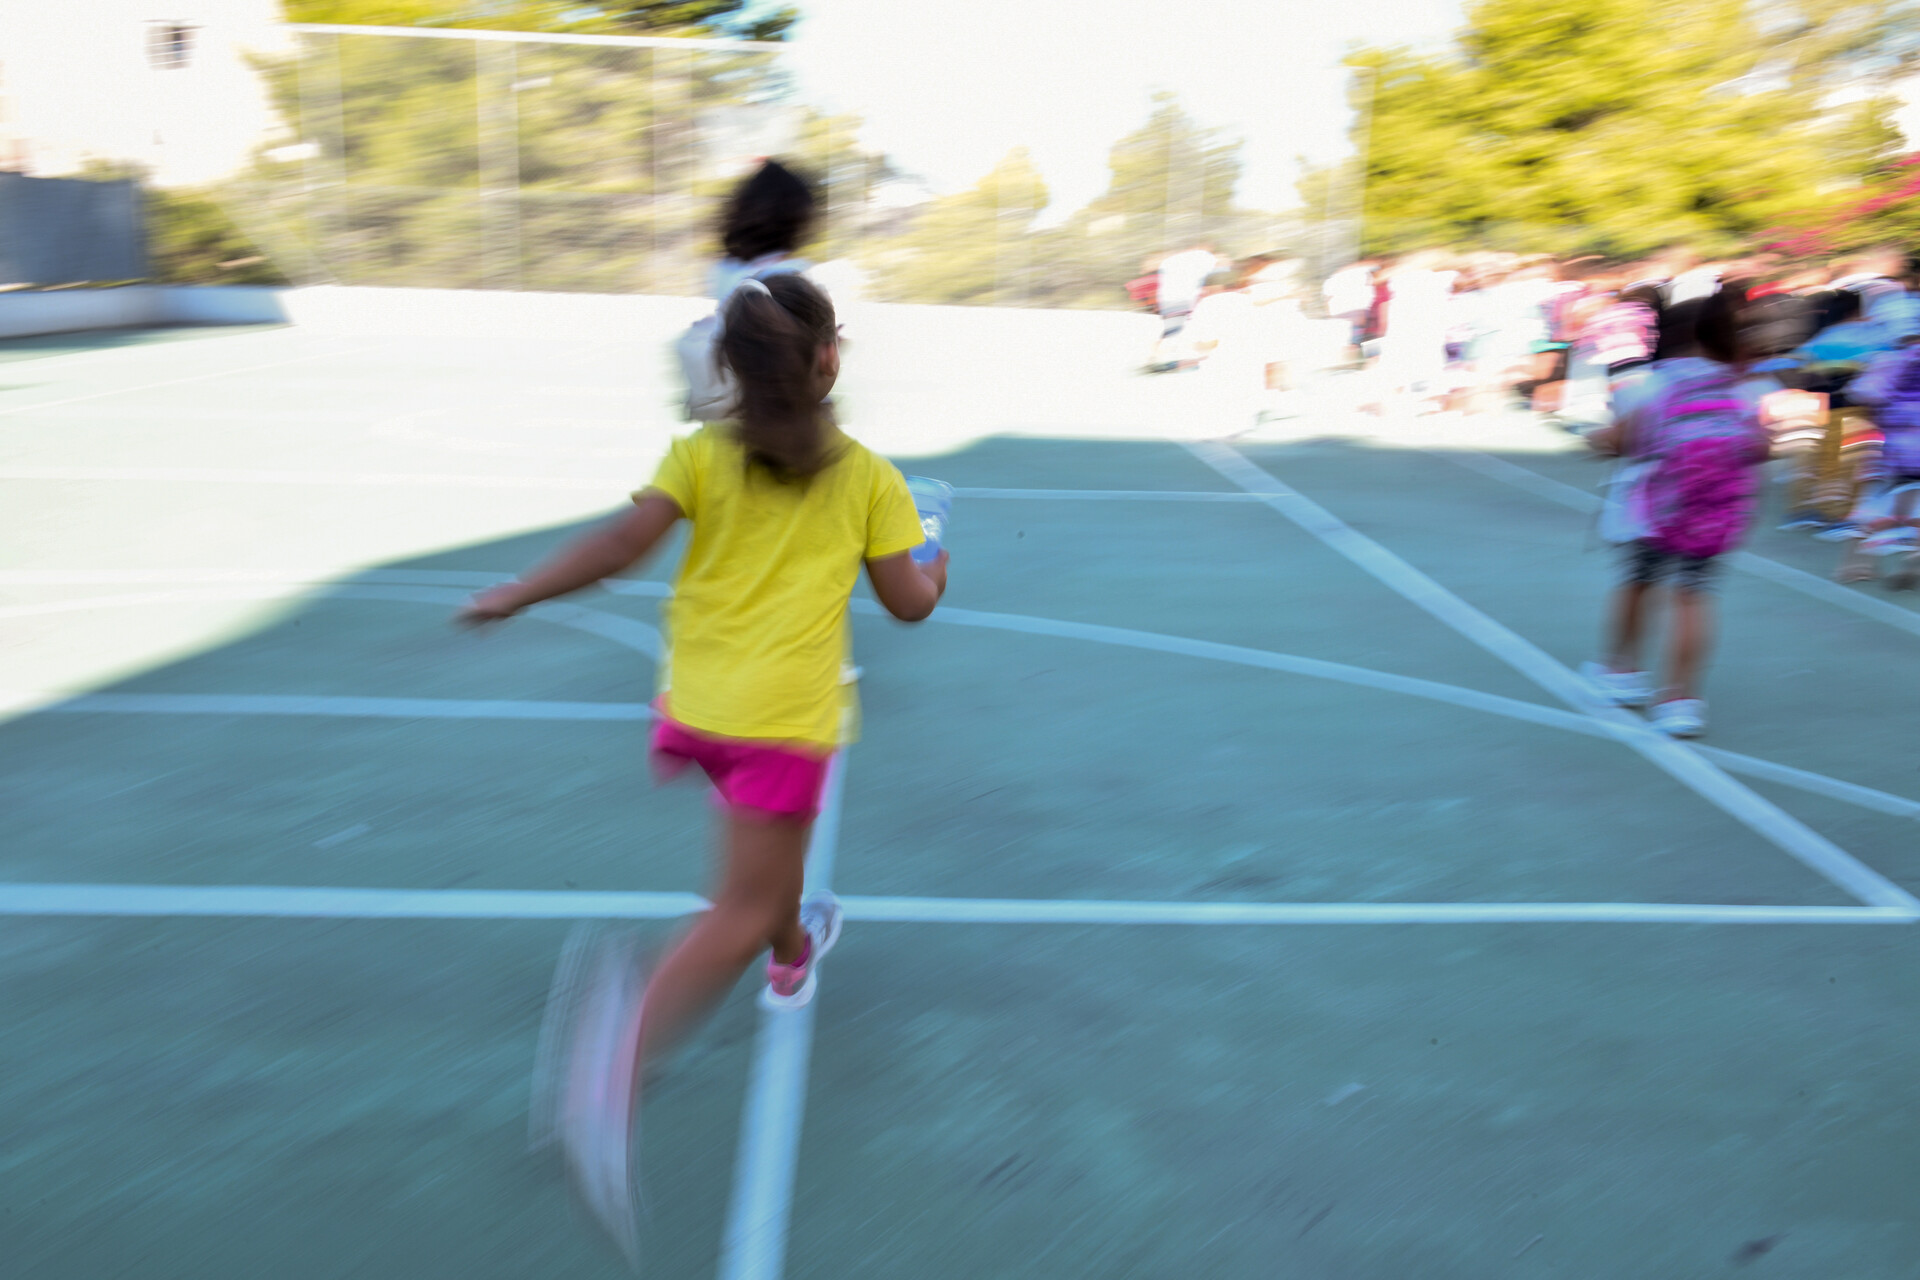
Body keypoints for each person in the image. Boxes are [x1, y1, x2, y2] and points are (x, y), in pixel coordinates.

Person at [460, 274, 945, 1254]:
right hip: (781, 724)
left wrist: (519, 590)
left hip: (697, 711)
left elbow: (619, 545)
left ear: (730, 369)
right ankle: (613, 1068)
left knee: (773, 872)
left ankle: (793, 950)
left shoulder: (699, 453)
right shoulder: (869, 478)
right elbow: (910, 604)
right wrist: (936, 552)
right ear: (830, 360)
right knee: (739, 903)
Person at [1581, 288, 1774, 738]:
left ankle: (1621, 672)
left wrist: (1592, 439)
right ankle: (1681, 700)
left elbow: (1618, 441)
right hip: (1715, 512)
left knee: (1639, 582)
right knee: (1693, 596)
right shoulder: (1741, 387)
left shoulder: (1654, 382)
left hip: (1657, 511)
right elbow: (1761, 448)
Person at [1833, 318, 1920, 586]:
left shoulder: (1889, 361)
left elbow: (1862, 393)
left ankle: (1855, 565)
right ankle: (1912, 564)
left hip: (1890, 451)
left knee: (1872, 509)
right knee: (1915, 511)